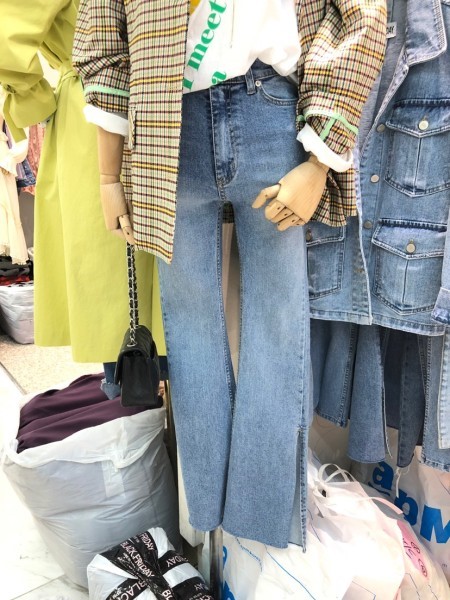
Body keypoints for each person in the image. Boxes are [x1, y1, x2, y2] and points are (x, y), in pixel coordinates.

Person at [73, 0, 387, 547]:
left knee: (277, 332)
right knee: (194, 333)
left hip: (268, 111)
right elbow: (103, 34)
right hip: (167, 126)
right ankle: (212, 522)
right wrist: (107, 174)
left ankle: (259, 530)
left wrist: (320, 160)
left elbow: (360, 14)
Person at [0, 0, 161, 399]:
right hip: (98, 121)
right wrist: (36, 98)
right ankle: (133, 411)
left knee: (143, 286)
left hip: (153, 108)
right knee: (119, 292)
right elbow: (6, 38)